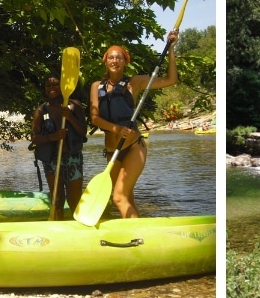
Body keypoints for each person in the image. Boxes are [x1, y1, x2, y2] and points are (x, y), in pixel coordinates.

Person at [89, 30, 179, 218]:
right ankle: (137, 233)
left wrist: (171, 48)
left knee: (118, 197)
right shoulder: (96, 86)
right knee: (127, 197)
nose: (115, 61)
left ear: (125, 61)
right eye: (111, 57)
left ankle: (138, 236)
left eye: (119, 58)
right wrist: (115, 128)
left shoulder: (134, 83)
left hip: (133, 147)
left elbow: (171, 80)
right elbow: (94, 118)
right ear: (105, 61)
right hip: (112, 152)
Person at [31, 73, 86, 220]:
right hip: (52, 161)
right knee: (58, 200)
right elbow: (34, 138)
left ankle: (79, 229)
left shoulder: (74, 106)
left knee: (75, 199)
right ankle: (58, 227)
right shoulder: (41, 111)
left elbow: (83, 132)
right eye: (48, 85)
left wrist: (70, 117)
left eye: (55, 84)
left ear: (62, 87)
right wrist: (52, 137)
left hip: (72, 159)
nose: (52, 88)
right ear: (45, 89)